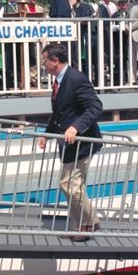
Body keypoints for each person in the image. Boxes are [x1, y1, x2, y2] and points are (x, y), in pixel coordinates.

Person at [38, 42, 103, 242]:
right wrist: (47, 133)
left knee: (70, 184)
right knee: (73, 185)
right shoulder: (60, 80)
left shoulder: (76, 79)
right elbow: (59, 112)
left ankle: (88, 224)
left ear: (55, 61)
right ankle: (83, 224)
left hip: (82, 142)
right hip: (70, 144)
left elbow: (95, 106)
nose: (43, 65)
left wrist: (76, 127)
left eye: (44, 61)